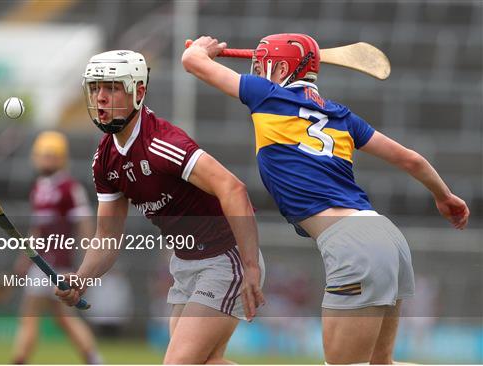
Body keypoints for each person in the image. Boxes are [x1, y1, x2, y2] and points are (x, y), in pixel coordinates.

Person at [181, 34, 470, 364]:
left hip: (353, 247)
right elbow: (411, 160)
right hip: (387, 237)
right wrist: (444, 196)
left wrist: (204, 49)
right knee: (380, 364)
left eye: (261, 68)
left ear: (277, 70)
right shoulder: (341, 116)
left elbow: (192, 62)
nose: (256, 75)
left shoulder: (267, 95)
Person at [55, 50, 266, 364]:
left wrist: (250, 267)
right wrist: (82, 278)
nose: (100, 98)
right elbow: (107, 237)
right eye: (96, 87)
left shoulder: (161, 144)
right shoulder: (104, 160)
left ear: (138, 91)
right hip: (185, 264)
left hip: (226, 258)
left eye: (112, 88)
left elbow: (233, 188)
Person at [11, 131, 102, 364]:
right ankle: (94, 359)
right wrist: (22, 264)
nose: (46, 159)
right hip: (41, 262)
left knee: (33, 315)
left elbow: (84, 225)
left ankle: (19, 361)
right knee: (61, 317)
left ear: (62, 158)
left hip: (59, 263)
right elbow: (37, 231)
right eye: (43, 155)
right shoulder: (39, 187)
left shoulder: (69, 188)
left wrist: (86, 268)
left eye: (51, 155)